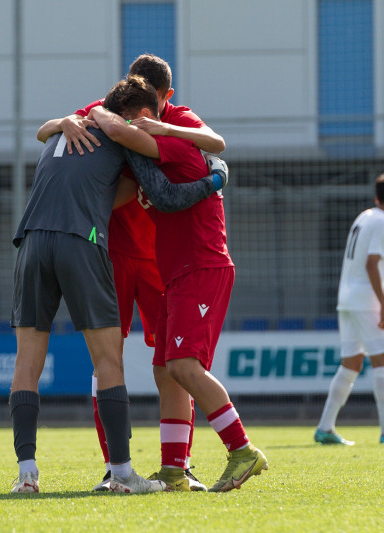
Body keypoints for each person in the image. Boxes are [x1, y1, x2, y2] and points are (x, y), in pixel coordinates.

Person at [9, 75, 225, 495]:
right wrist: (214, 178)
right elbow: (159, 191)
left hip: (44, 239)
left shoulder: (168, 118)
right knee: (109, 360)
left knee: (164, 364)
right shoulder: (117, 120)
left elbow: (211, 140)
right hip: (96, 246)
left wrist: (65, 122)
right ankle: (119, 470)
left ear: (166, 100)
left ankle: (30, 473)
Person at [90, 85, 268, 493]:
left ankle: (241, 449)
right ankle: (174, 469)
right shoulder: (161, 147)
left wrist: (96, 116)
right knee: (165, 369)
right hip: (178, 273)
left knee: (186, 367)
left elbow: (126, 135)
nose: (132, 125)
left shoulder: (171, 141)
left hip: (202, 267)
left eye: (136, 117)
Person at [314, 172, 384, 446]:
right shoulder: (383, 221)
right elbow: (372, 263)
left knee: (351, 363)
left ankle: (325, 427)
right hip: (364, 300)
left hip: (346, 298)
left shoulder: (364, 216)